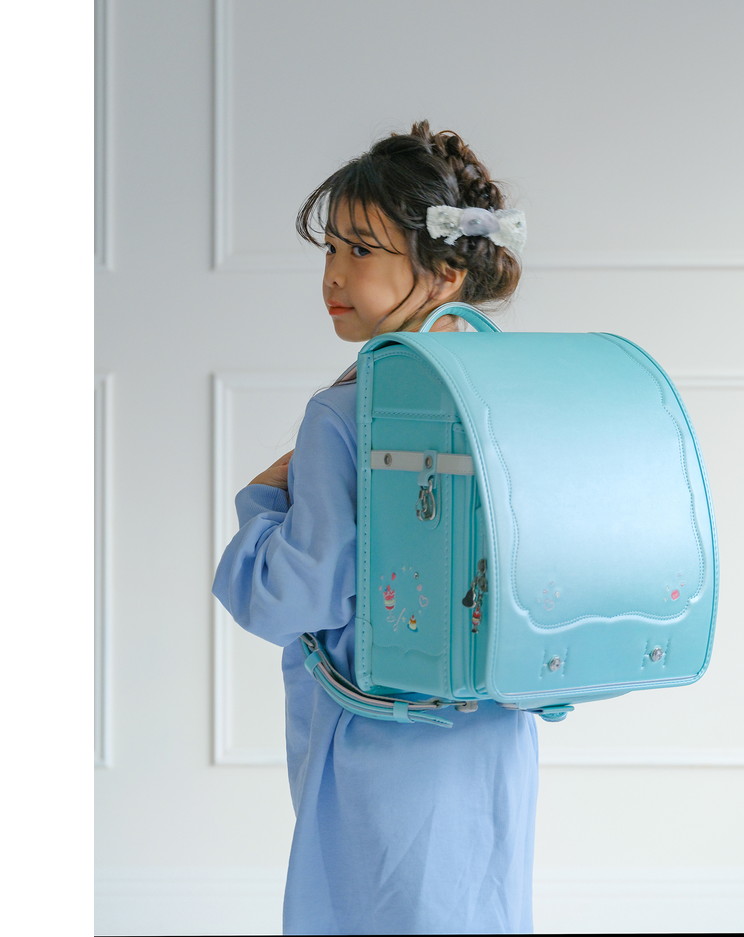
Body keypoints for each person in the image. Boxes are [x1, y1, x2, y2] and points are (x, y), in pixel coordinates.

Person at [212, 121, 539, 936]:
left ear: (445, 268)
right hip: (494, 724)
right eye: (329, 249)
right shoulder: (514, 385)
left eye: (361, 250)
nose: (332, 274)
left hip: (379, 732)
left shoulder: (344, 412)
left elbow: (290, 598)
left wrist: (259, 504)